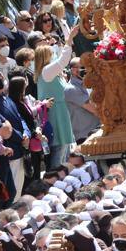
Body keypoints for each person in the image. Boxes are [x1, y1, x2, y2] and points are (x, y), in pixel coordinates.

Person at [34, 27, 79, 168]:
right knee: (59, 151)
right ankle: (55, 179)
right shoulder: (47, 71)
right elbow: (64, 60)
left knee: (64, 149)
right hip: (56, 115)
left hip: (62, 113)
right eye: (51, 53)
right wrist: (69, 39)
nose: (54, 55)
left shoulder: (50, 72)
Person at [63, 58, 99, 143]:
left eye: (87, 67)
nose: (86, 70)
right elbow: (94, 109)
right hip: (85, 136)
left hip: (96, 131)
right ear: (73, 70)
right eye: (82, 67)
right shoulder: (71, 89)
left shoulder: (89, 84)